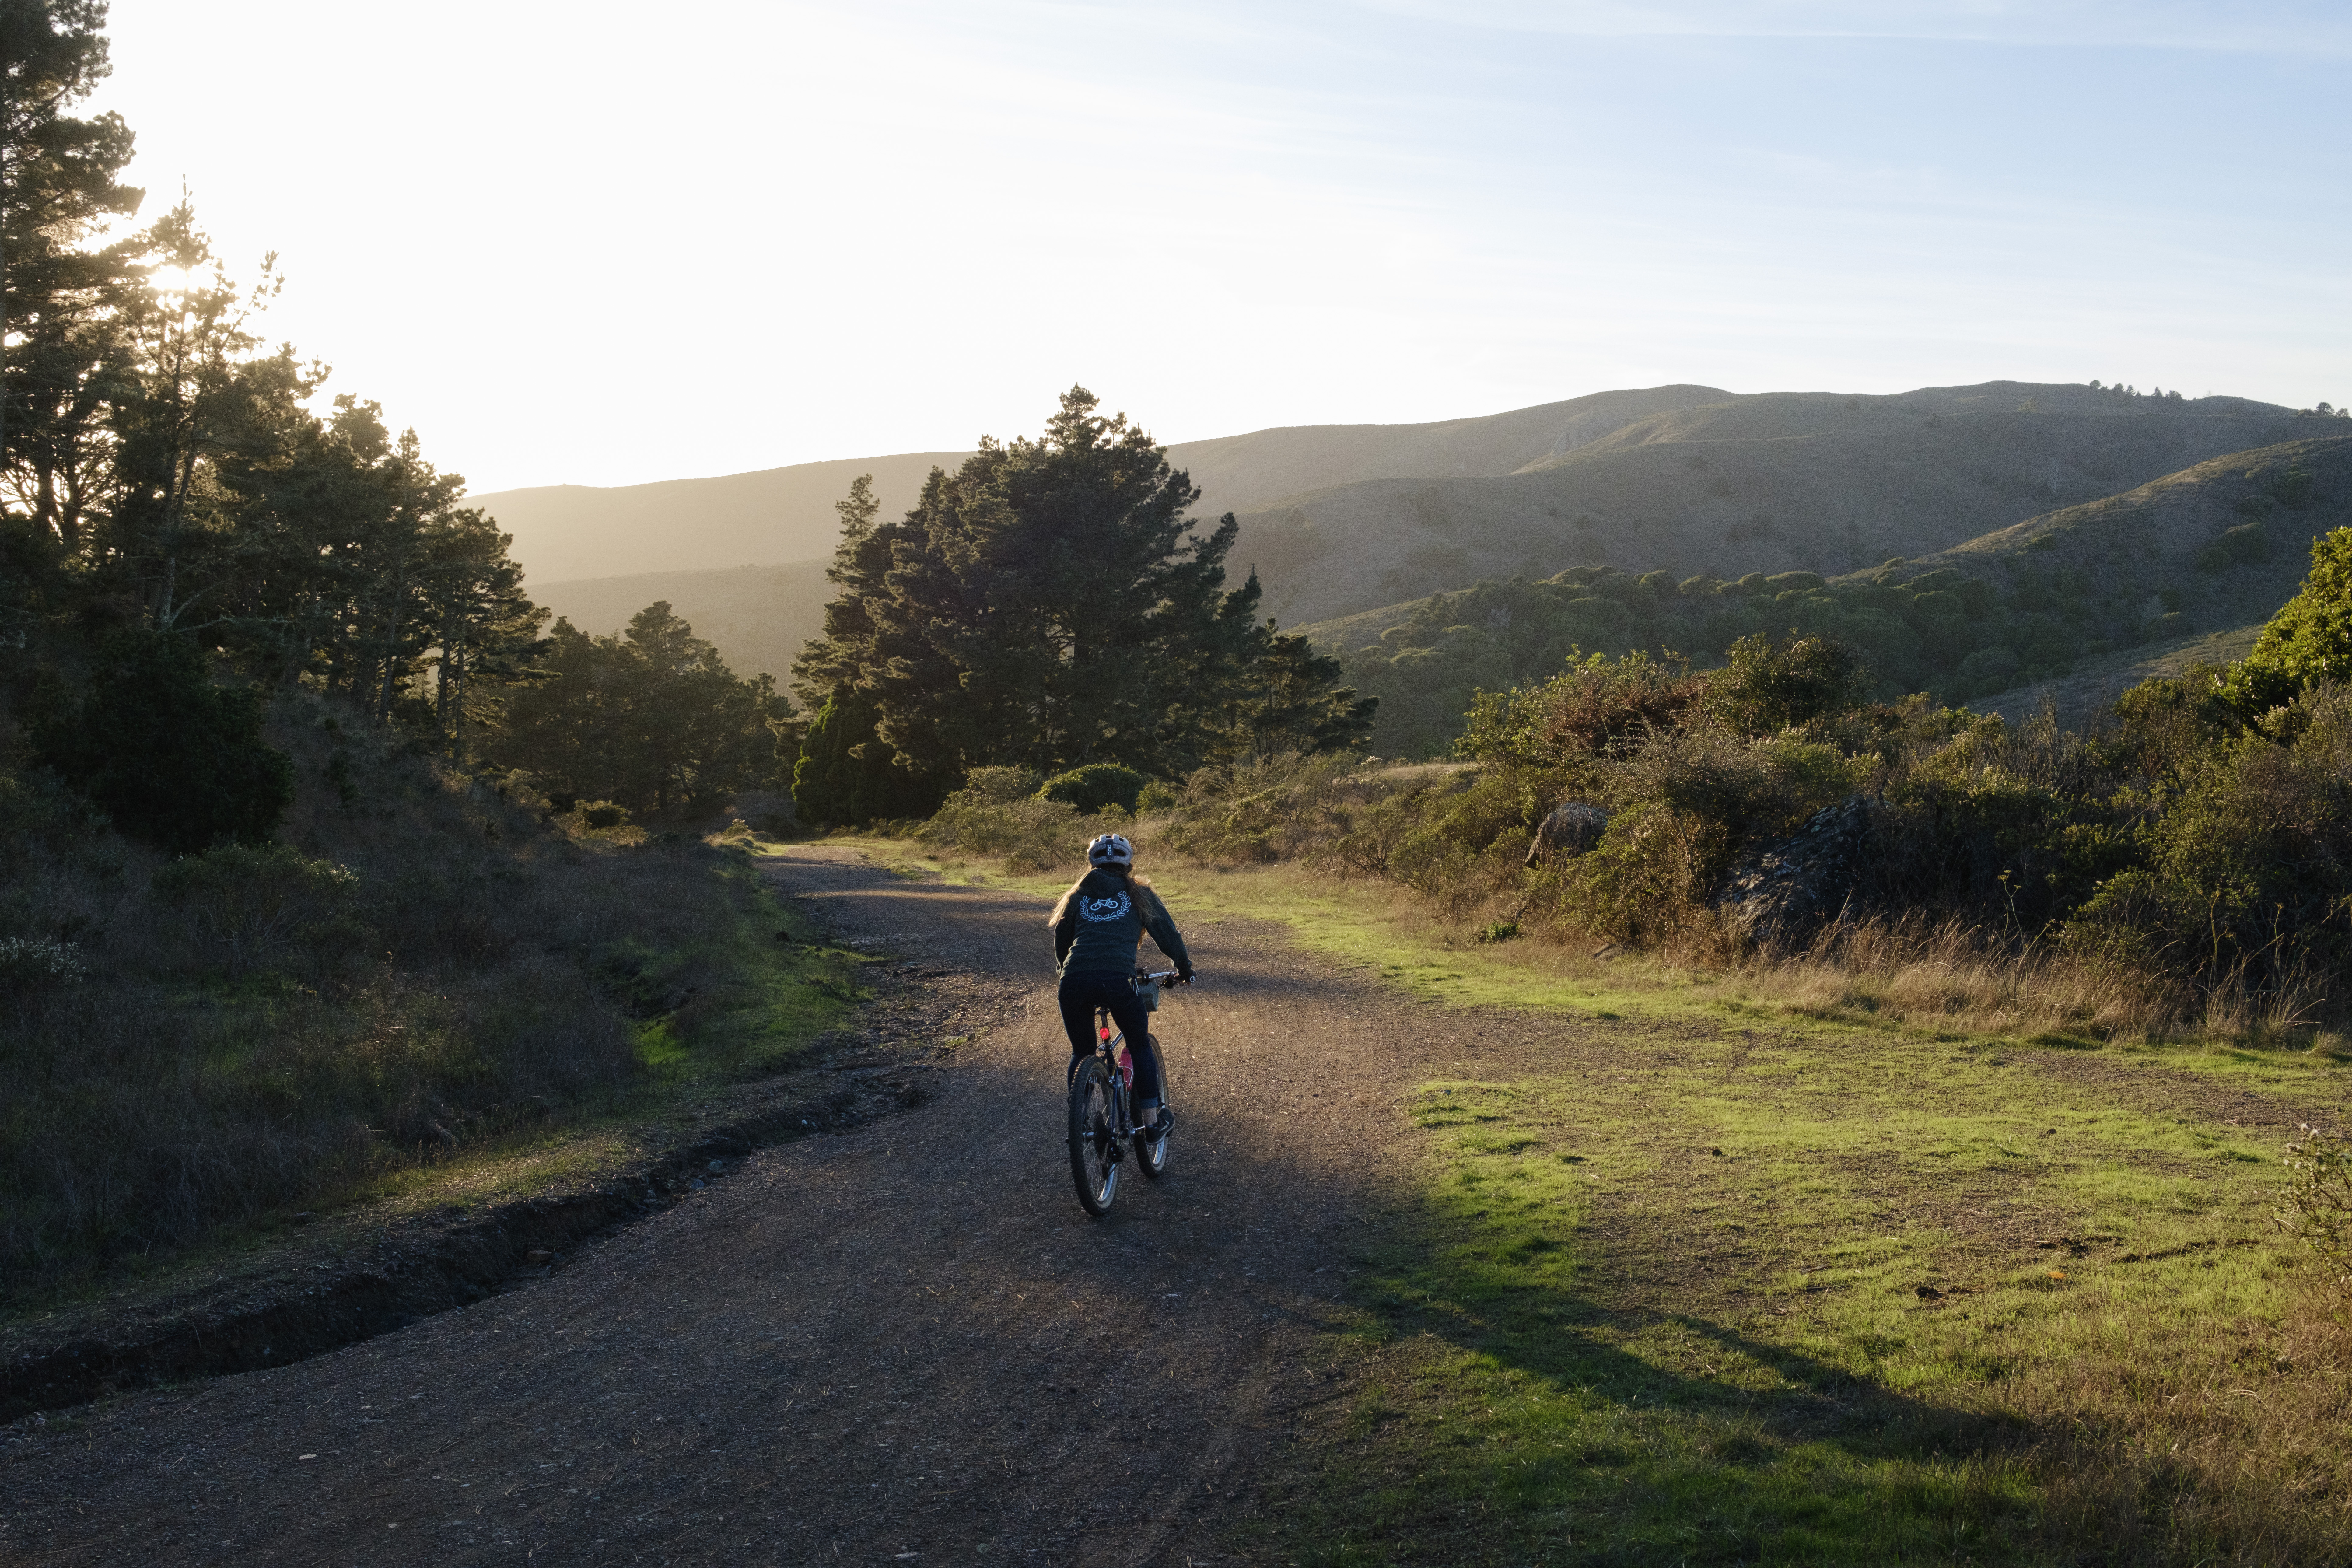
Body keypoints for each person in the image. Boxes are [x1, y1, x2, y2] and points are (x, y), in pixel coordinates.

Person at [1049, 832, 1194, 1135]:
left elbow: (1062, 942)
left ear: (1093, 862)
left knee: (1083, 1051)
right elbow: (1167, 934)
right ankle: (1152, 1123)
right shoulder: (1139, 894)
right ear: (1128, 865)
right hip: (1117, 980)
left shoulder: (1077, 895)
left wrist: (1066, 969)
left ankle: (1080, 1119)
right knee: (1139, 1042)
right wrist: (1184, 968)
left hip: (1074, 981)